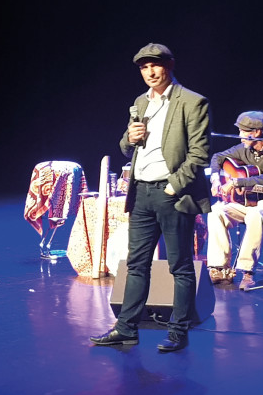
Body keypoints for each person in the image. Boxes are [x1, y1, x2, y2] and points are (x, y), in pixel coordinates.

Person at [91, 43, 212, 353]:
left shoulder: (192, 101)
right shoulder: (140, 102)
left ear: (169, 66)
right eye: (144, 67)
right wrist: (129, 139)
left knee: (179, 266)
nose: (150, 72)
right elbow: (126, 146)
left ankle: (178, 331)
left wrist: (174, 186)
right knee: (136, 265)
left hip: (172, 193)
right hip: (141, 192)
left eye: (155, 65)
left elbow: (199, 154)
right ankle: (126, 329)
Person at [206, 111, 263, 291]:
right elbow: (217, 157)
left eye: (243, 131)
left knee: (255, 214)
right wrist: (215, 179)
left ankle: (247, 271)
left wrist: (236, 182)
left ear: (257, 133)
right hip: (249, 202)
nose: (239, 135)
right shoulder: (245, 149)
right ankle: (220, 268)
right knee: (215, 212)